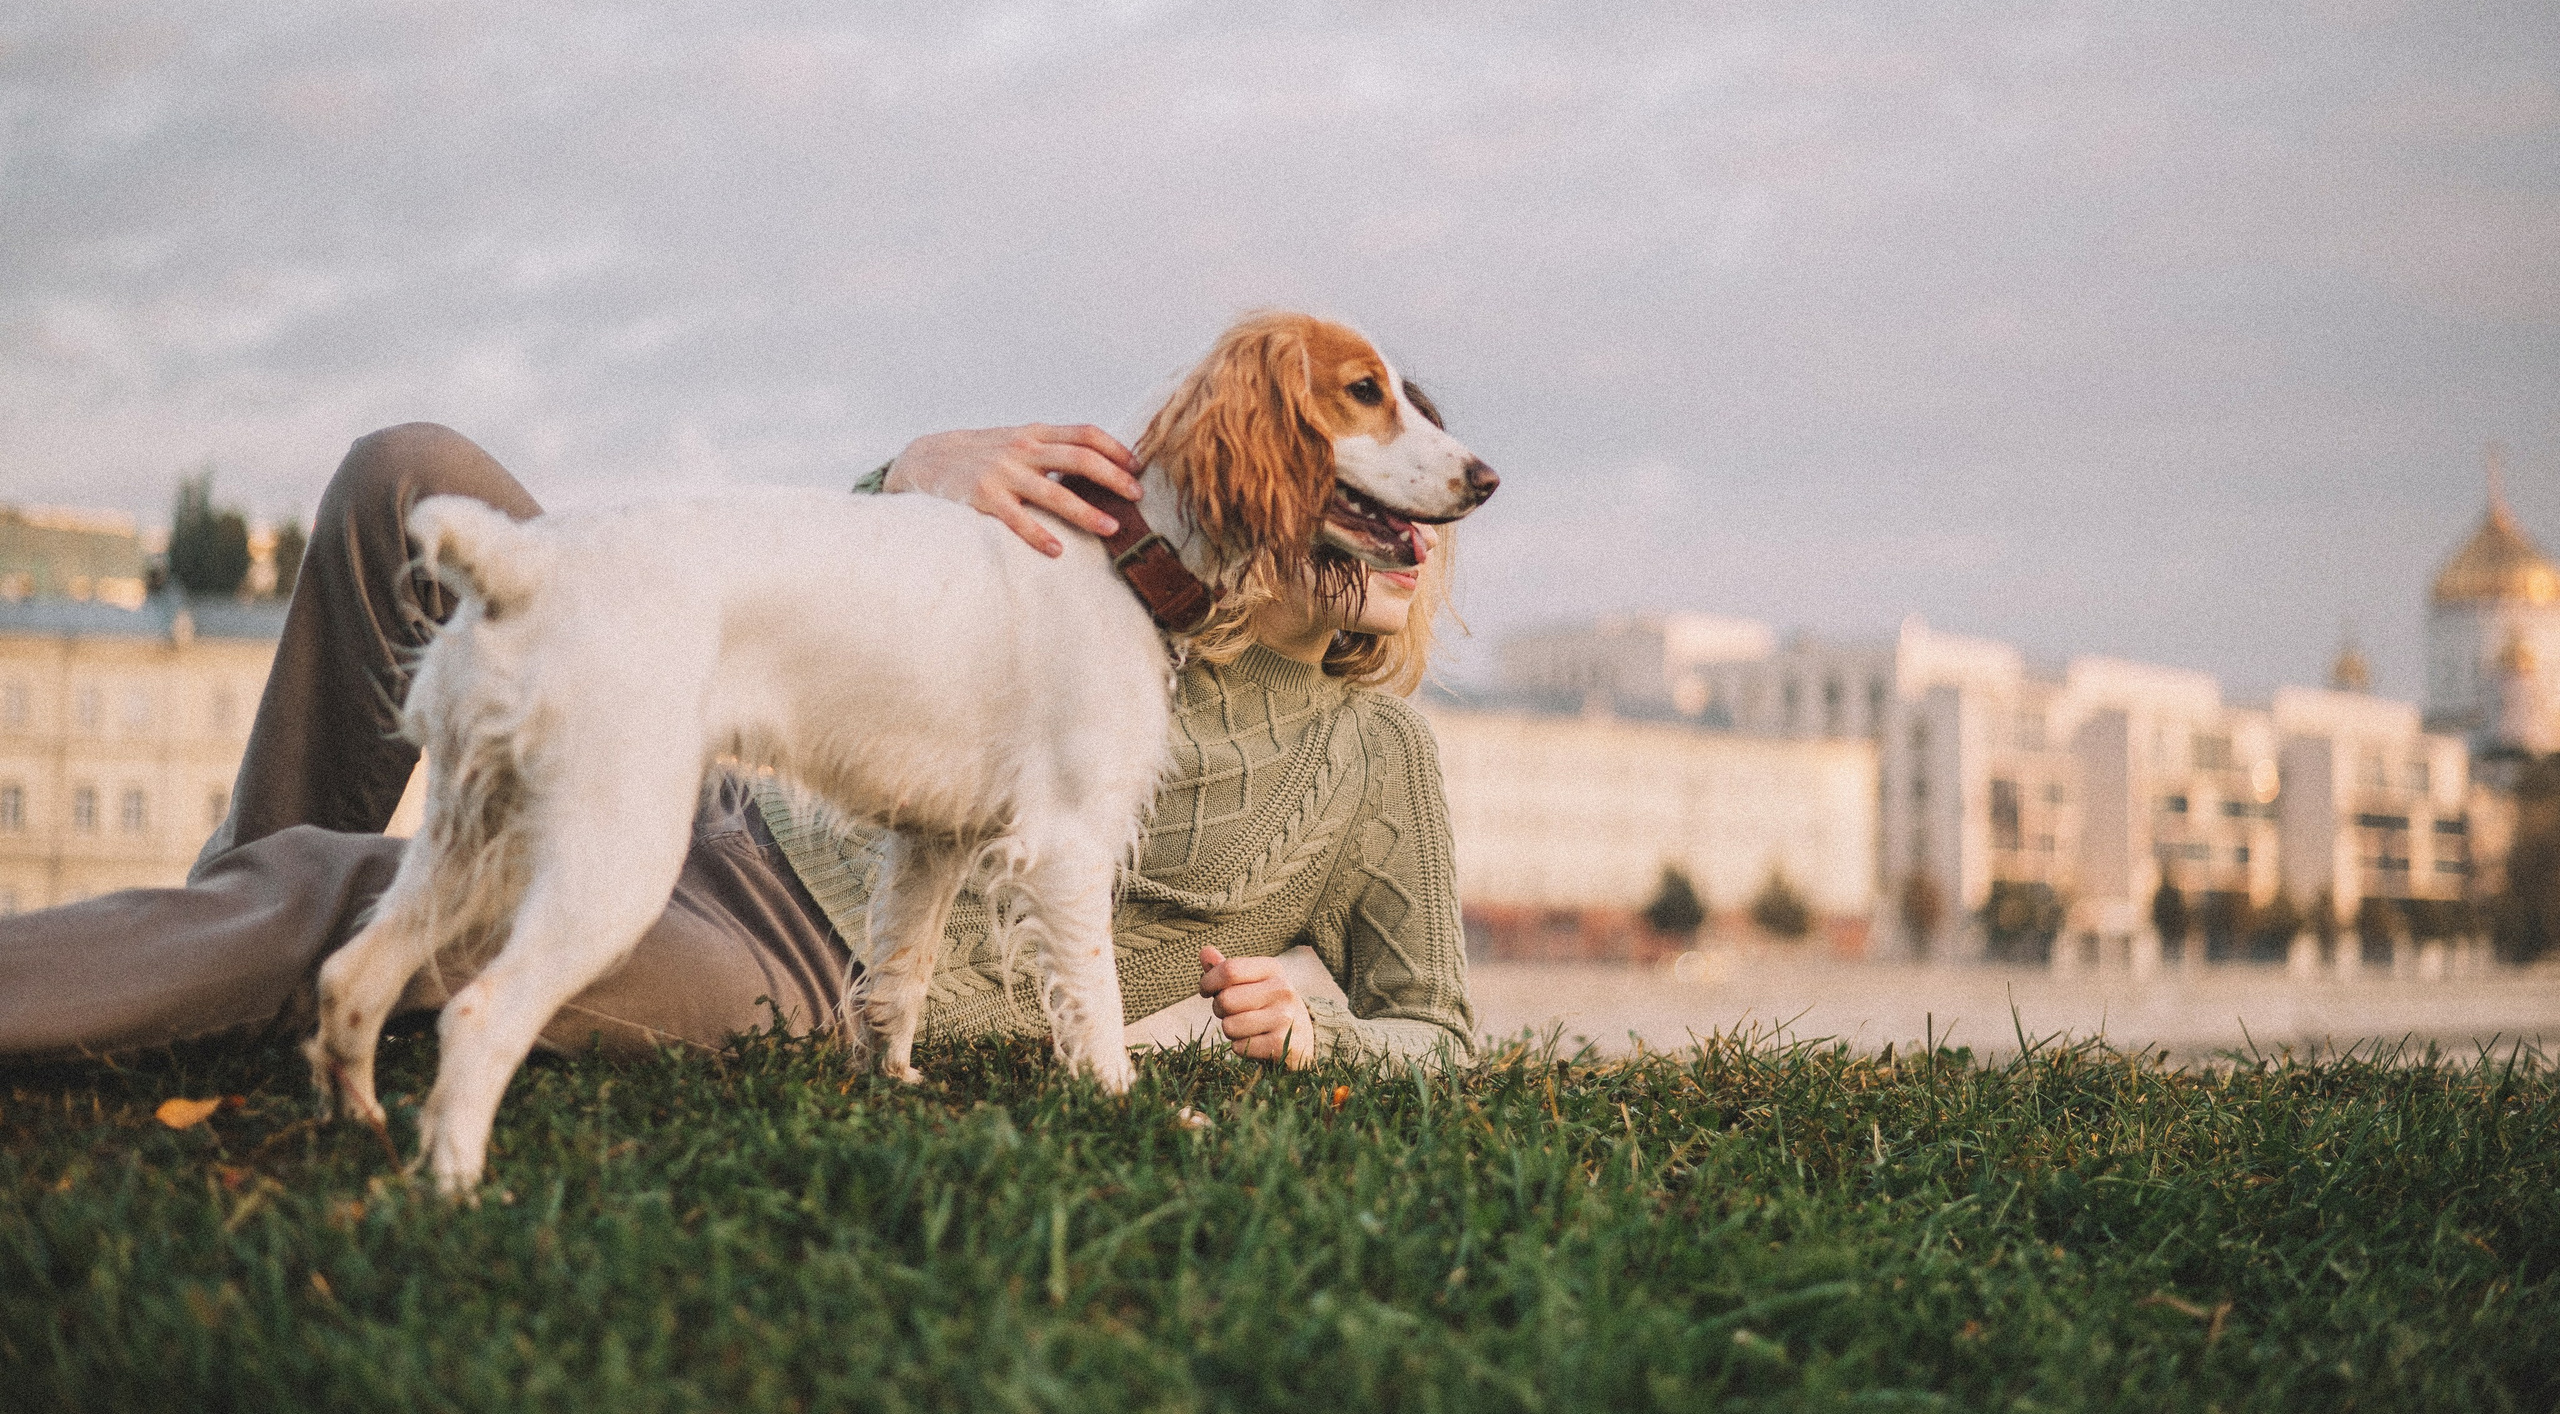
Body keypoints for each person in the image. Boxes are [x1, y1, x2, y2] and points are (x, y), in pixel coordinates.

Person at [0, 406, 1476, 1071]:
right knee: (409, 474)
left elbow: (1444, 1031)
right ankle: (215, 936)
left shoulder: (1375, 765)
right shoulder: (1112, 557)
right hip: (723, 777)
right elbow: (821, 588)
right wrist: (905, 472)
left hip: (785, 968)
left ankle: (226, 941)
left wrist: (1319, 1024)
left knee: (366, 889)